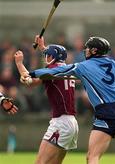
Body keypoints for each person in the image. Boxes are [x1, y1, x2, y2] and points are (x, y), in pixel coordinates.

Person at [20, 36, 115, 164]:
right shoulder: (113, 63)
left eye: (88, 48)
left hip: (106, 111)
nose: (85, 50)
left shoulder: (82, 66)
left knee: (92, 157)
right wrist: (44, 49)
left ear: (94, 51)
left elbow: (58, 70)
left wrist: (30, 73)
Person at [14, 36, 78, 164]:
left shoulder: (52, 70)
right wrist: (43, 47)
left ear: (53, 57)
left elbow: (30, 81)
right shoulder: (65, 67)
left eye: (48, 55)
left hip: (61, 123)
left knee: (40, 162)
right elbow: (53, 60)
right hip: (72, 123)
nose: (46, 58)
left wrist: (19, 64)